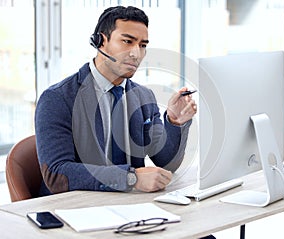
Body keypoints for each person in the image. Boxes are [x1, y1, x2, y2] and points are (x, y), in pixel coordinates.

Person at [35, 6, 197, 196]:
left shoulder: (144, 97)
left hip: (131, 207)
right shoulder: (58, 98)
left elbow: (167, 162)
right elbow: (57, 173)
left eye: (143, 45)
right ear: (101, 41)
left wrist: (175, 121)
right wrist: (131, 178)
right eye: (127, 41)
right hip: (75, 209)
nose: (136, 53)